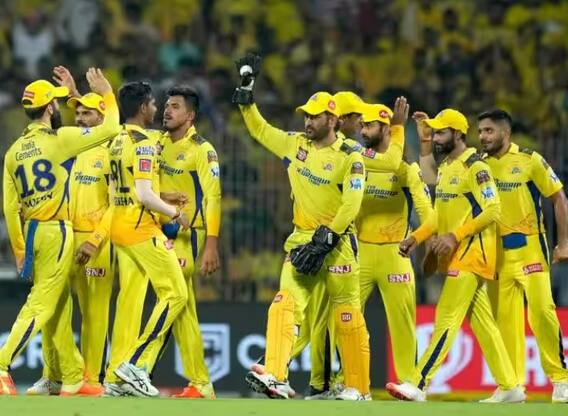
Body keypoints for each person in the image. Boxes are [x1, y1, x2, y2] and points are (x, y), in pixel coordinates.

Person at [233, 54, 370, 400]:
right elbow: (260, 130)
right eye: (306, 116)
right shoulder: (295, 145)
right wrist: (247, 97)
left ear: (332, 119)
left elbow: (352, 202)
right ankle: (276, 375)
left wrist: (329, 235)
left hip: (338, 243)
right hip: (301, 240)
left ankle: (358, 387)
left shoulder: (350, 155)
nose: (308, 121)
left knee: (346, 315)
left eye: (314, 116)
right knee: (284, 303)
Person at [386, 109, 522, 402]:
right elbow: (438, 216)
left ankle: (418, 383)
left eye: (441, 133)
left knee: (446, 317)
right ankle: (510, 386)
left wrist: (455, 235)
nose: (436, 138)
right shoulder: (447, 167)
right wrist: (415, 237)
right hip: (459, 254)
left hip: (473, 254)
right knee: (483, 324)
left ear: (458, 134)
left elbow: (494, 209)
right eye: (434, 133)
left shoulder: (476, 167)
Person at [0, 68, 120, 396]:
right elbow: (111, 127)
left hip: (31, 232)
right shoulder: (58, 139)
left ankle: (71, 375)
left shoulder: (13, 153)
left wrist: (21, 251)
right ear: (51, 108)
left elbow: (10, 209)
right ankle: (2, 363)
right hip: (57, 230)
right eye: (56, 103)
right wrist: (107, 93)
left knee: (58, 306)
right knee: (42, 305)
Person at [104, 82, 189, 397]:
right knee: (176, 294)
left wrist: (163, 194)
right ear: (142, 108)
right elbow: (142, 194)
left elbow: (127, 187)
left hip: (119, 226)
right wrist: (173, 212)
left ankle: (116, 378)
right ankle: (135, 366)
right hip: (140, 228)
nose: (157, 109)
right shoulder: (142, 144)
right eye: (153, 104)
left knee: (131, 303)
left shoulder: (116, 140)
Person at [478, 109, 568, 403]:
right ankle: (512, 386)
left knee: (542, 312)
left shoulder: (530, 160)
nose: (482, 137)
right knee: (505, 320)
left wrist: (564, 243)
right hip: (496, 253)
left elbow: (559, 197)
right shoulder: (479, 166)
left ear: (505, 133)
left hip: (530, 248)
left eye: (489, 131)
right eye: (480, 131)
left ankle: (561, 380)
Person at [148, 85, 221, 399]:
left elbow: (214, 197)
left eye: (175, 106)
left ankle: (140, 367)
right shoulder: (158, 142)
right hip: (160, 230)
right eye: (166, 105)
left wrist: (211, 244)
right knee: (183, 307)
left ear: (190, 116)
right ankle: (201, 383)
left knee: (170, 298)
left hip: (188, 235)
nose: (167, 110)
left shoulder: (202, 150)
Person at [357, 102, 432, 385]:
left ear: (387, 129)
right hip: (360, 251)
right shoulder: (358, 162)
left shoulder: (406, 170)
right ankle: (348, 380)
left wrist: (418, 238)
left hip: (395, 253)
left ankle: (409, 383)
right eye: (362, 125)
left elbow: (430, 215)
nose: (363, 131)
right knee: (345, 317)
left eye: (369, 126)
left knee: (402, 323)